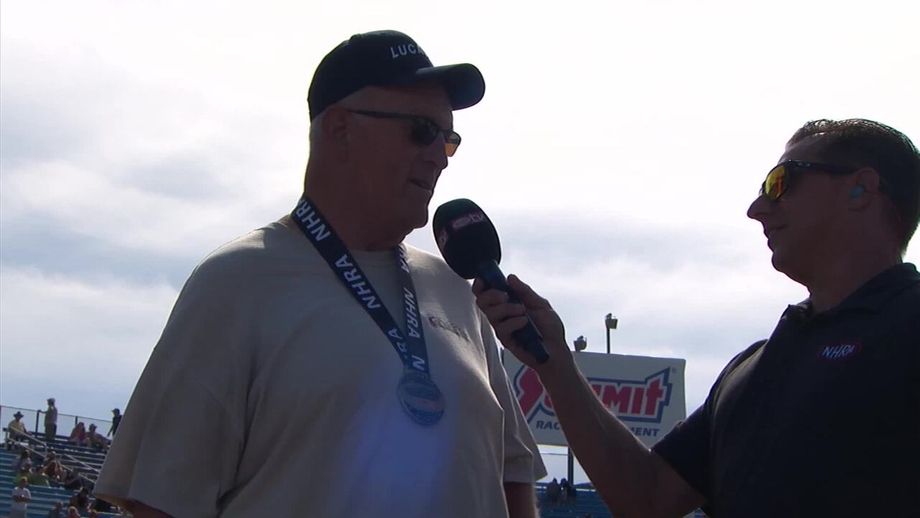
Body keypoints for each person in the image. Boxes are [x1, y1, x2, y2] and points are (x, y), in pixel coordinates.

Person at [95, 29, 545, 518]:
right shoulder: (236, 283)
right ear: (340, 129)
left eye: (448, 139)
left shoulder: (457, 291)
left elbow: (512, 474)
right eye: (421, 130)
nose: (439, 156)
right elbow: (162, 501)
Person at [473, 118, 920, 517]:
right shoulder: (754, 366)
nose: (757, 209)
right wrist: (555, 366)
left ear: (861, 189)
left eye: (780, 183)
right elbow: (647, 498)